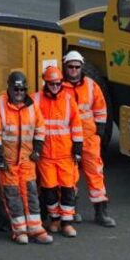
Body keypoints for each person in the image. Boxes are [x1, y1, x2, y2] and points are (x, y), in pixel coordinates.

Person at [0, 69, 49, 244]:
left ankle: (36, 229)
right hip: (8, 161)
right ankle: (19, 230)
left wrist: (37, 149)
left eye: (22, 90)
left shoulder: (32, 106)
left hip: (27, 160)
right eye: (16, 90)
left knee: (31, 193)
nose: (19, 94)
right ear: (9, 88)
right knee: (12, 196)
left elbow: (40, 128)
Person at [63, 49, 114, 226]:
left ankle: (101, 212)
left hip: (89, 139)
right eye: (70, 67)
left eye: (77, 67)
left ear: (81, 67)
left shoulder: (91, 86)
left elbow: (101, 110)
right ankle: (72, 210)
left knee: (96, 175)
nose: (74, 70)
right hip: (68, 140)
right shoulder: (59, 88)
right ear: (66, 68)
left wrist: (99, 133)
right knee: (70, 176)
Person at [36, 58, 81, 237]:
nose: (55, 87)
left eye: (57, 83)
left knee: (68, 188)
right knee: (49, 189)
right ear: (45, 83)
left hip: (65, 154)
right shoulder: (36, 99)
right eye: (51, 84)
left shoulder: (69, 100)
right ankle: (54, 219)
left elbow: (76, 125)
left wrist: (77, 148)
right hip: (46, 155)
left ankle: (67, 222)